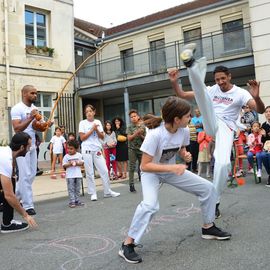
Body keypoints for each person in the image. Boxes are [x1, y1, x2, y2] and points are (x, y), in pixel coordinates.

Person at [118, 97, 231, 264]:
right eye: (187, 116)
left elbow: (181, 148)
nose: (190, 118)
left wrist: (184, 154)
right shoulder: (155, 135)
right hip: (152, 173)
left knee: (208, 188)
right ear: (177, 119)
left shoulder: (184, 131)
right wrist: (172, 167)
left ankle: (208, 227)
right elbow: (145, 166)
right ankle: (127, 244)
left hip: (171, 170)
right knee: (150, 205)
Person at [168, 43, 265, 218]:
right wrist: (175, 83)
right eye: (217, 79)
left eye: (223, 79)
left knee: (222, 164)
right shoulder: (213, 89)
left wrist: (256, 97)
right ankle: (190, 64)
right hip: (211, 120)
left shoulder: (241, 93)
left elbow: (259, 110)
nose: (220, 82)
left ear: (229, 76)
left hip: (226, 128)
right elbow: (182, 95)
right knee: (203, 94)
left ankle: (215, 200)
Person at [11, 85, 47, 216]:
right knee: (25, 175)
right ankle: (28, 205)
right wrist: (31, 117)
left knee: (31, 175)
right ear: (24, 94)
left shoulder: (35, 109)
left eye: (36, 93)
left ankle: (13, 199)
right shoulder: (17, 108)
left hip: (32, 146)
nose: (35, 96)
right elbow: (17, 129)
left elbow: (39, 127)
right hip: (21, 147)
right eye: (33, 93)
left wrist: (45, 125)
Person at [79, 104, 120, 201]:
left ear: (94, 112)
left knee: (105, 171)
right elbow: (82, 138)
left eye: (90, 111)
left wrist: (96, 129)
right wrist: (91, 130)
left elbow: (102, 137)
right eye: (87, 111)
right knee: (89, 172)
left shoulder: (97, 122)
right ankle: (93, 193)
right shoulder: (82, 123)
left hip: (97, 149)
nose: (88, 113)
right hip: (87, 149)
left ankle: (107, 191)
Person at [0, 132, 38, 233]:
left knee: (11, 181)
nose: (29, 149)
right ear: (22, 147)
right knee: (9, 193)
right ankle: (7, 224)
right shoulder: (6, 159)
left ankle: (7, 223)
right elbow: (9, 196)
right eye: (28, 146)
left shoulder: (7, 152)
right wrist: (25, 215)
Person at [127, 109, 146, 192]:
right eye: (131, 117)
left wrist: (141, 134)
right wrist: (136, 133)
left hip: (142, 149)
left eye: (134, 116)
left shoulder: (143, 126)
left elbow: (146, 139)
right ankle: (131, 185)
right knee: (132, 167)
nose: (133, 118)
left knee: (143, 167)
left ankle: (145, 182)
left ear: (138, 116)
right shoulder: (129, 126)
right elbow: (129, 138)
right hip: (132, 149)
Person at [63, 140, 85, 208]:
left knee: (77, 188)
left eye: (71, 149)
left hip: (78, 175)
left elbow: (82, 163)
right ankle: (72, 201)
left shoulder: (79, 155)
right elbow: (64, 165)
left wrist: (77, 163)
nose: (69, 150)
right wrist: (70, 164)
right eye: (68, 148)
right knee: (71, 189)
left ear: (76, 148)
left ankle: (77, 200)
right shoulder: (66, 156)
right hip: (70, 176)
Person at [260, 106, 270, 186]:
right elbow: (263, 141)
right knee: (263, 155)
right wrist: (263, 136)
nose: (268, 113)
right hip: (267, 147)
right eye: (266, 112)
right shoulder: (263, 125)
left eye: (269, 111)